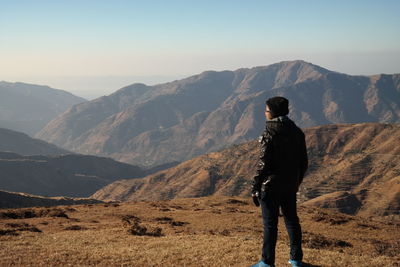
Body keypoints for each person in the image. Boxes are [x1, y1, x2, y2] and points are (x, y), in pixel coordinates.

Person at [250, 96, 308, 267]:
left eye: (266, 110)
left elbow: (264, 163)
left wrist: (255, 186)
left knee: (270, 225)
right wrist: (296, 182)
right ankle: (296, 259)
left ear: (273, 113)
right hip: (290, 184)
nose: (264, 113)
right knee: (292, 221)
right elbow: (303, 162)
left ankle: (267, 262)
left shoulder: (270, 132)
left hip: (271, 185)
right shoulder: (297, 132)